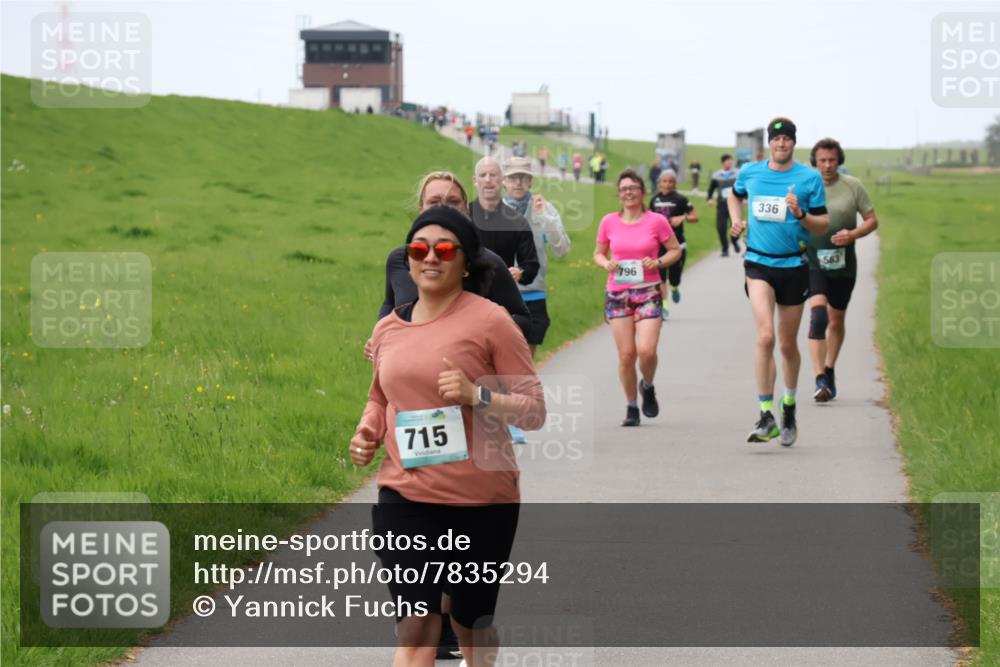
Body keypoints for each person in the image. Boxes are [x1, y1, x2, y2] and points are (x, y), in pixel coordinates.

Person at [352, 204, 546, 667]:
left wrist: (476, 395)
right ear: (409, 259)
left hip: (483, 500)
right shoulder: (388, 329)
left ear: (465, 261)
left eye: (444, 249)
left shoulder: (492, 321)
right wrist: (367, 430)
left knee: (469, 620)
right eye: (420, 248)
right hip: (405, 491)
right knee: (417, 625)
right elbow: (380, 397)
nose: (431, 258)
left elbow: (534, 410)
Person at [728, 117, 829, 446]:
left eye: (787, 139)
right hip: (758, 263)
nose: (781, 144)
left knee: (787, 345)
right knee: (765, 337)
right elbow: (733, 195)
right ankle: (765, 414)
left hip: (793, 266)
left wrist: (800, 214)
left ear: (793, 143)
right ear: (769, 144)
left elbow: (822, 226)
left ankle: (788, 407)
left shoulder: (809, 178)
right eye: (776, 139)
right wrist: (736, 221)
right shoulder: (751, 172)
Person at [373, 172, 532, 348]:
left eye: (453, 202)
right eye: (434, 202)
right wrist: (379, 333)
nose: (443, 209)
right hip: (404, 367)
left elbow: (522, 319)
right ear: (421, 208)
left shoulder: (488, 262)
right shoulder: (399, 259)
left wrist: (483, 339)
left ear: (465, 209)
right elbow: (389, 304)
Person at [593, 169, 682, 426]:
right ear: (619, 194)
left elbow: (674, 250)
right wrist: (606, 263)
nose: (628, 193)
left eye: (633, 188)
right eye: (623, 189)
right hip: (618, 293)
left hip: (648, 290)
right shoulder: (609, 221)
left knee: (647, 351)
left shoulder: (656, 221)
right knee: (626, 355)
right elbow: (598, 253)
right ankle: (632, 406)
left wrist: (657, 261)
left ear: (643, 192)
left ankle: (649, 385)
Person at [806, 138, 879, 402]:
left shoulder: (853, 186)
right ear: (815, 161)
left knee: (836, 320)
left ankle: (830, 368)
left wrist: (854, 234)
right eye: (822, 160)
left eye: (832, 160)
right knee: (818, 318)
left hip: (844, 265)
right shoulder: (806, 185)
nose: (827, 165)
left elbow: (872, 220)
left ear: (839, 161)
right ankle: (819, 379)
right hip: (813, 261)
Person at [502, 156, 572, 355]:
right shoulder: (492, 212)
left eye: (523, 177)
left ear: (531, 181)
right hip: (501, 295)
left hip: (533, 294)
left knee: (525, 363)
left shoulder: (545, 209)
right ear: (504, 181)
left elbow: (562, 249)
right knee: (500, 359)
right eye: (513, 177)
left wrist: (546, 220)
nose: (518, 182)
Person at [469, 157, 541, 290]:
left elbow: (531, 264)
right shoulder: (463, 216)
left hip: (501, 298)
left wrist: (520, 272)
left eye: (493, 175)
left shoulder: (518, 221)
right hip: (466, 297)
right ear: (475, 181)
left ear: (502, 180)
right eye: (483, 175)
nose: (488, 180)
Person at [648, 169, 699, 318]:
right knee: (661, 277)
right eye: (664, 181)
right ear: (659, 183)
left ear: (675, 183)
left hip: (677, 244)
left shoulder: (681, 199)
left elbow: (695, 216)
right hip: (659, 246)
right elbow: (647, 218)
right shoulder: (654, 200)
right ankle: (664, 306)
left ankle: (675, 287)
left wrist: (682, 218)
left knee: (674, 277)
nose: (667, 184)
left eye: (670, 181)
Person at [706, 154, 742, 256]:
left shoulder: (737, 174)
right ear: (723, 162)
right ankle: (725, 249)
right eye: (728, 161)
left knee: (736, 226)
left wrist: (744, 199)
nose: (730, 163)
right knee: (721, 228)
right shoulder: (716, 175)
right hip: (722, 205)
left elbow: (743, 187)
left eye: (731, 161)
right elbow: (710, 190)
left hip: (735, 205)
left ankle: (734, 241)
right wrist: (709, 199)